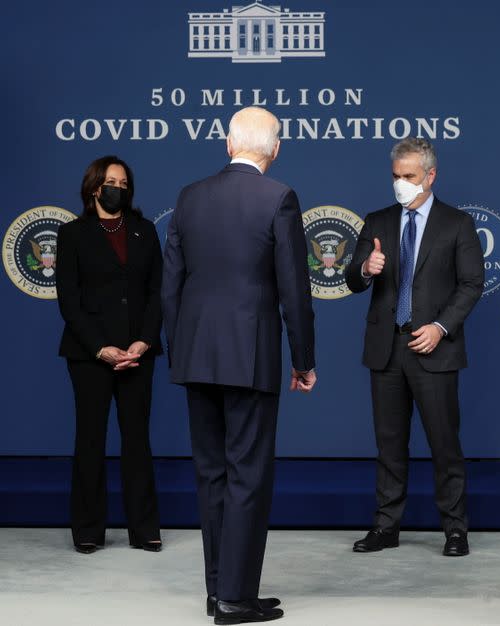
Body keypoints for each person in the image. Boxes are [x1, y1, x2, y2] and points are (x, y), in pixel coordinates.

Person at [162, 106, 316, 624]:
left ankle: (218, 590)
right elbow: (295, 289)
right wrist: (304, 359)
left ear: (229, 145)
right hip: (250, 356)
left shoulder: (189, 196)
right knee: (247, 475)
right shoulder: (279, 197)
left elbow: (170, 288)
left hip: (195, 354)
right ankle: (235, 598)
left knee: (211, 476)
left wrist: (179, 347)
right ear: (275, 149)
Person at [345, 138, 484, 557]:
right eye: (395, 176)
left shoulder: (456, 224)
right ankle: (386, 526)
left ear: (430, 175)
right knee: (389, 444)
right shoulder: (377, 221)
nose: (401, 184)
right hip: (386, 349)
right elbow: (352, 278)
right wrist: (365, 269)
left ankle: (455, 530)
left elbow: (471, 284)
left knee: (444, 444)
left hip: (434, 349)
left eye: (408, 176)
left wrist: (441, 327)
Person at [56, 155, 163, 555]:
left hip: (138, 352)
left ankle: (145, 528)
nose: (118, 187)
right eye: (110, 181)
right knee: (90, 439)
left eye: (124, 181)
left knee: (137, 440)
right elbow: (69, 300)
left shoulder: (145, 231)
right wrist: (100, 347)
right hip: (89, 355)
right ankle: (87, 530)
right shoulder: (72, 234)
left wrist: (144, 341)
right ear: (94, 187)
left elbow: (157, 292)